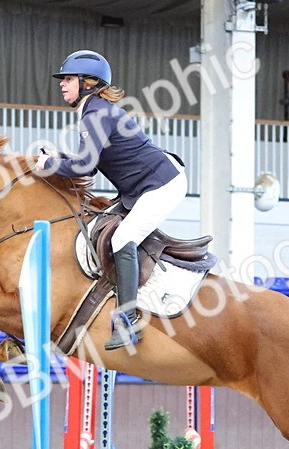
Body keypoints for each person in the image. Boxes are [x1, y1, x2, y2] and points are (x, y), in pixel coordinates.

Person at [38, 50, 188, 351]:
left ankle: (128, 320)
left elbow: (85, 167)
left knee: (122, 238)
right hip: (142, 187)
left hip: (162, 185)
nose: (62, 84)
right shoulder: (95, 111)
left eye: (68, 79)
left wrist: (49, 164)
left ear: (88, 82)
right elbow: (87, 161)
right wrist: (59, 157)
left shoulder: (96, 114)